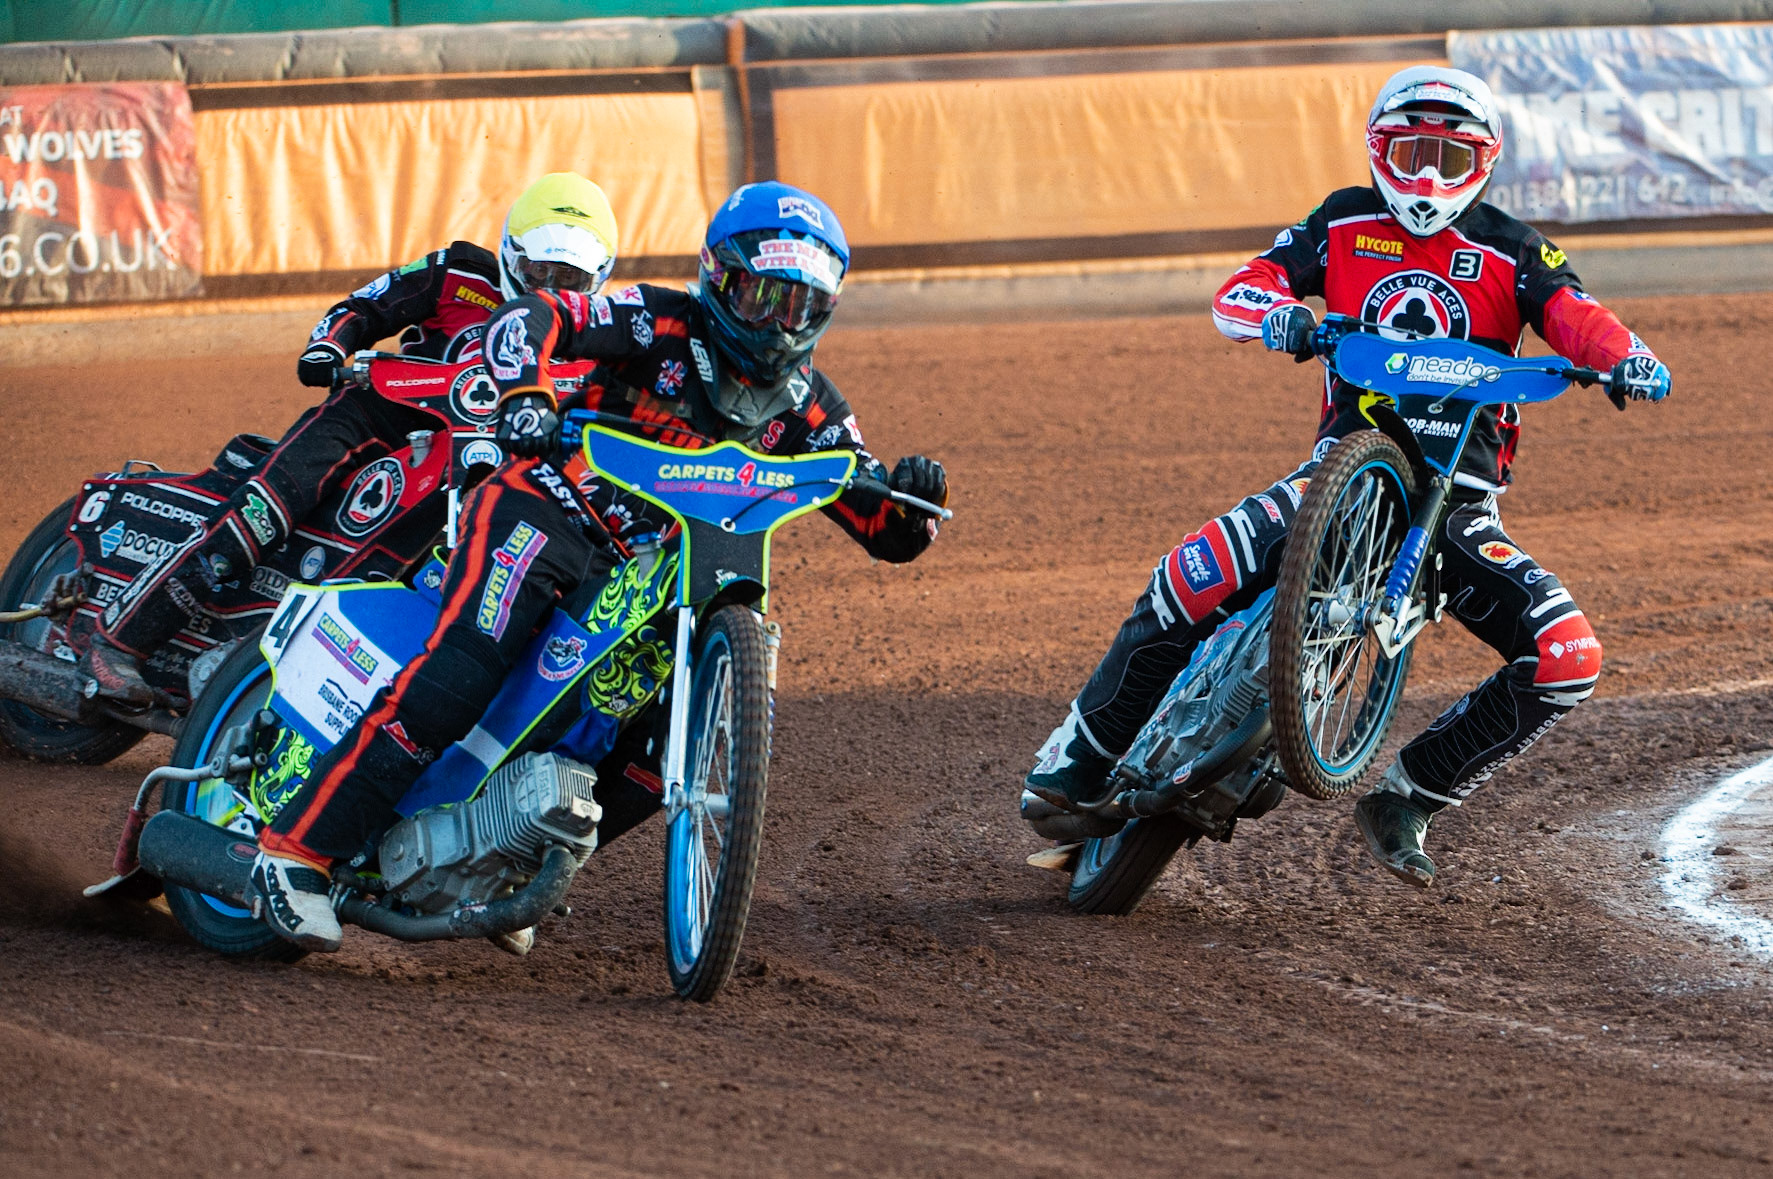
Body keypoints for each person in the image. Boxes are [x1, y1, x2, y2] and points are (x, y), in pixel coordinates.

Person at [248, 181, 950, 951]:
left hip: (657, 573)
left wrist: (912, 498)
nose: (780, 324)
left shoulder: (808, 405)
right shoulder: (657, 319)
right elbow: (531, 317)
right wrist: (526, 392)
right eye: (762, 297)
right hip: (546, 507)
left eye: (801, 305)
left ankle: (509, 863)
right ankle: (296, 855)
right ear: (719, 276)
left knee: (656, 751)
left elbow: (882, 526)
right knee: (461, 672)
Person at [1020, 66, 1672, 889]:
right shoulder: (1342, 221)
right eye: (1408, 151)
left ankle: (1409, 795)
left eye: (1447, 154)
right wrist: (1278, 313)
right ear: (1376, 150)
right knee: (1192, 571)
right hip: (1339, 472)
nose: (1427, 176)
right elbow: (1237, 292)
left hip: (1457, 508)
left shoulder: (1513, 248)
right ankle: (1076, 760)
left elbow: (1578, 317)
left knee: (1566, 655)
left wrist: (1626, 359)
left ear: (1483, 160)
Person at [78, 173, 620, 706]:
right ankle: (116, 639)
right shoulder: (457, 272)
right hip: (376, 418)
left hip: (481, 464)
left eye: (568, 277)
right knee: (265, 511)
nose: (551, 287)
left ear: (598, 277)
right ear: (509, 254)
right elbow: (363, 307)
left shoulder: (597, 334)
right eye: (538, 269)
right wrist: (327, 348)